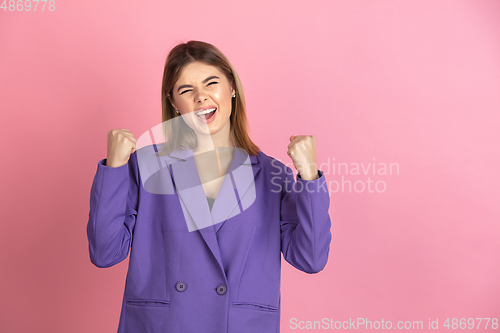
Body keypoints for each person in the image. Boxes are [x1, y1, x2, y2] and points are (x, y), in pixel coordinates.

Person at [87, 40, 332, 333]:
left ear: (231, 87)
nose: (201, 98)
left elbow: (310, 258)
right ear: (174, 103)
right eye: (186, 90)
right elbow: (104, 253)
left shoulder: (271, 174)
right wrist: (114, 168)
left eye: (211, 83)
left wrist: (308, 175)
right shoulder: (145, 165)